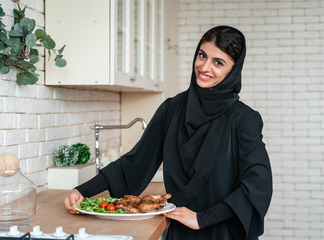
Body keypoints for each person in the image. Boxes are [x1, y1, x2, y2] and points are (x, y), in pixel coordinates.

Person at [64, 25, 273, 240]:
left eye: (218, 62)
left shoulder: (244, 119)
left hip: (224, 231)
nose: (204, 67)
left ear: (233, 70)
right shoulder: (172, 109)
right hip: (180, 229)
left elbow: (258, 184)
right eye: (202, 55)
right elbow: (136, 162)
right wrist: (81, 191)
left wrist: (203, 218)